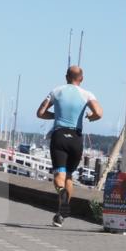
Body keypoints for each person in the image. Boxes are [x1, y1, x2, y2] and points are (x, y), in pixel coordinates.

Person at [35, 65, 103, 227]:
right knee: (70, 176)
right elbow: (99, 113)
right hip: (76, 138)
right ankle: (60, 215)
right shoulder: (87, 94)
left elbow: (40, 112)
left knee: (60, 175)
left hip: (59, 136)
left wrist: (56, 115)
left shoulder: (56, 91)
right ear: (82, 79)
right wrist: (91, 117)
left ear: (66, 76)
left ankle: (61, 191)